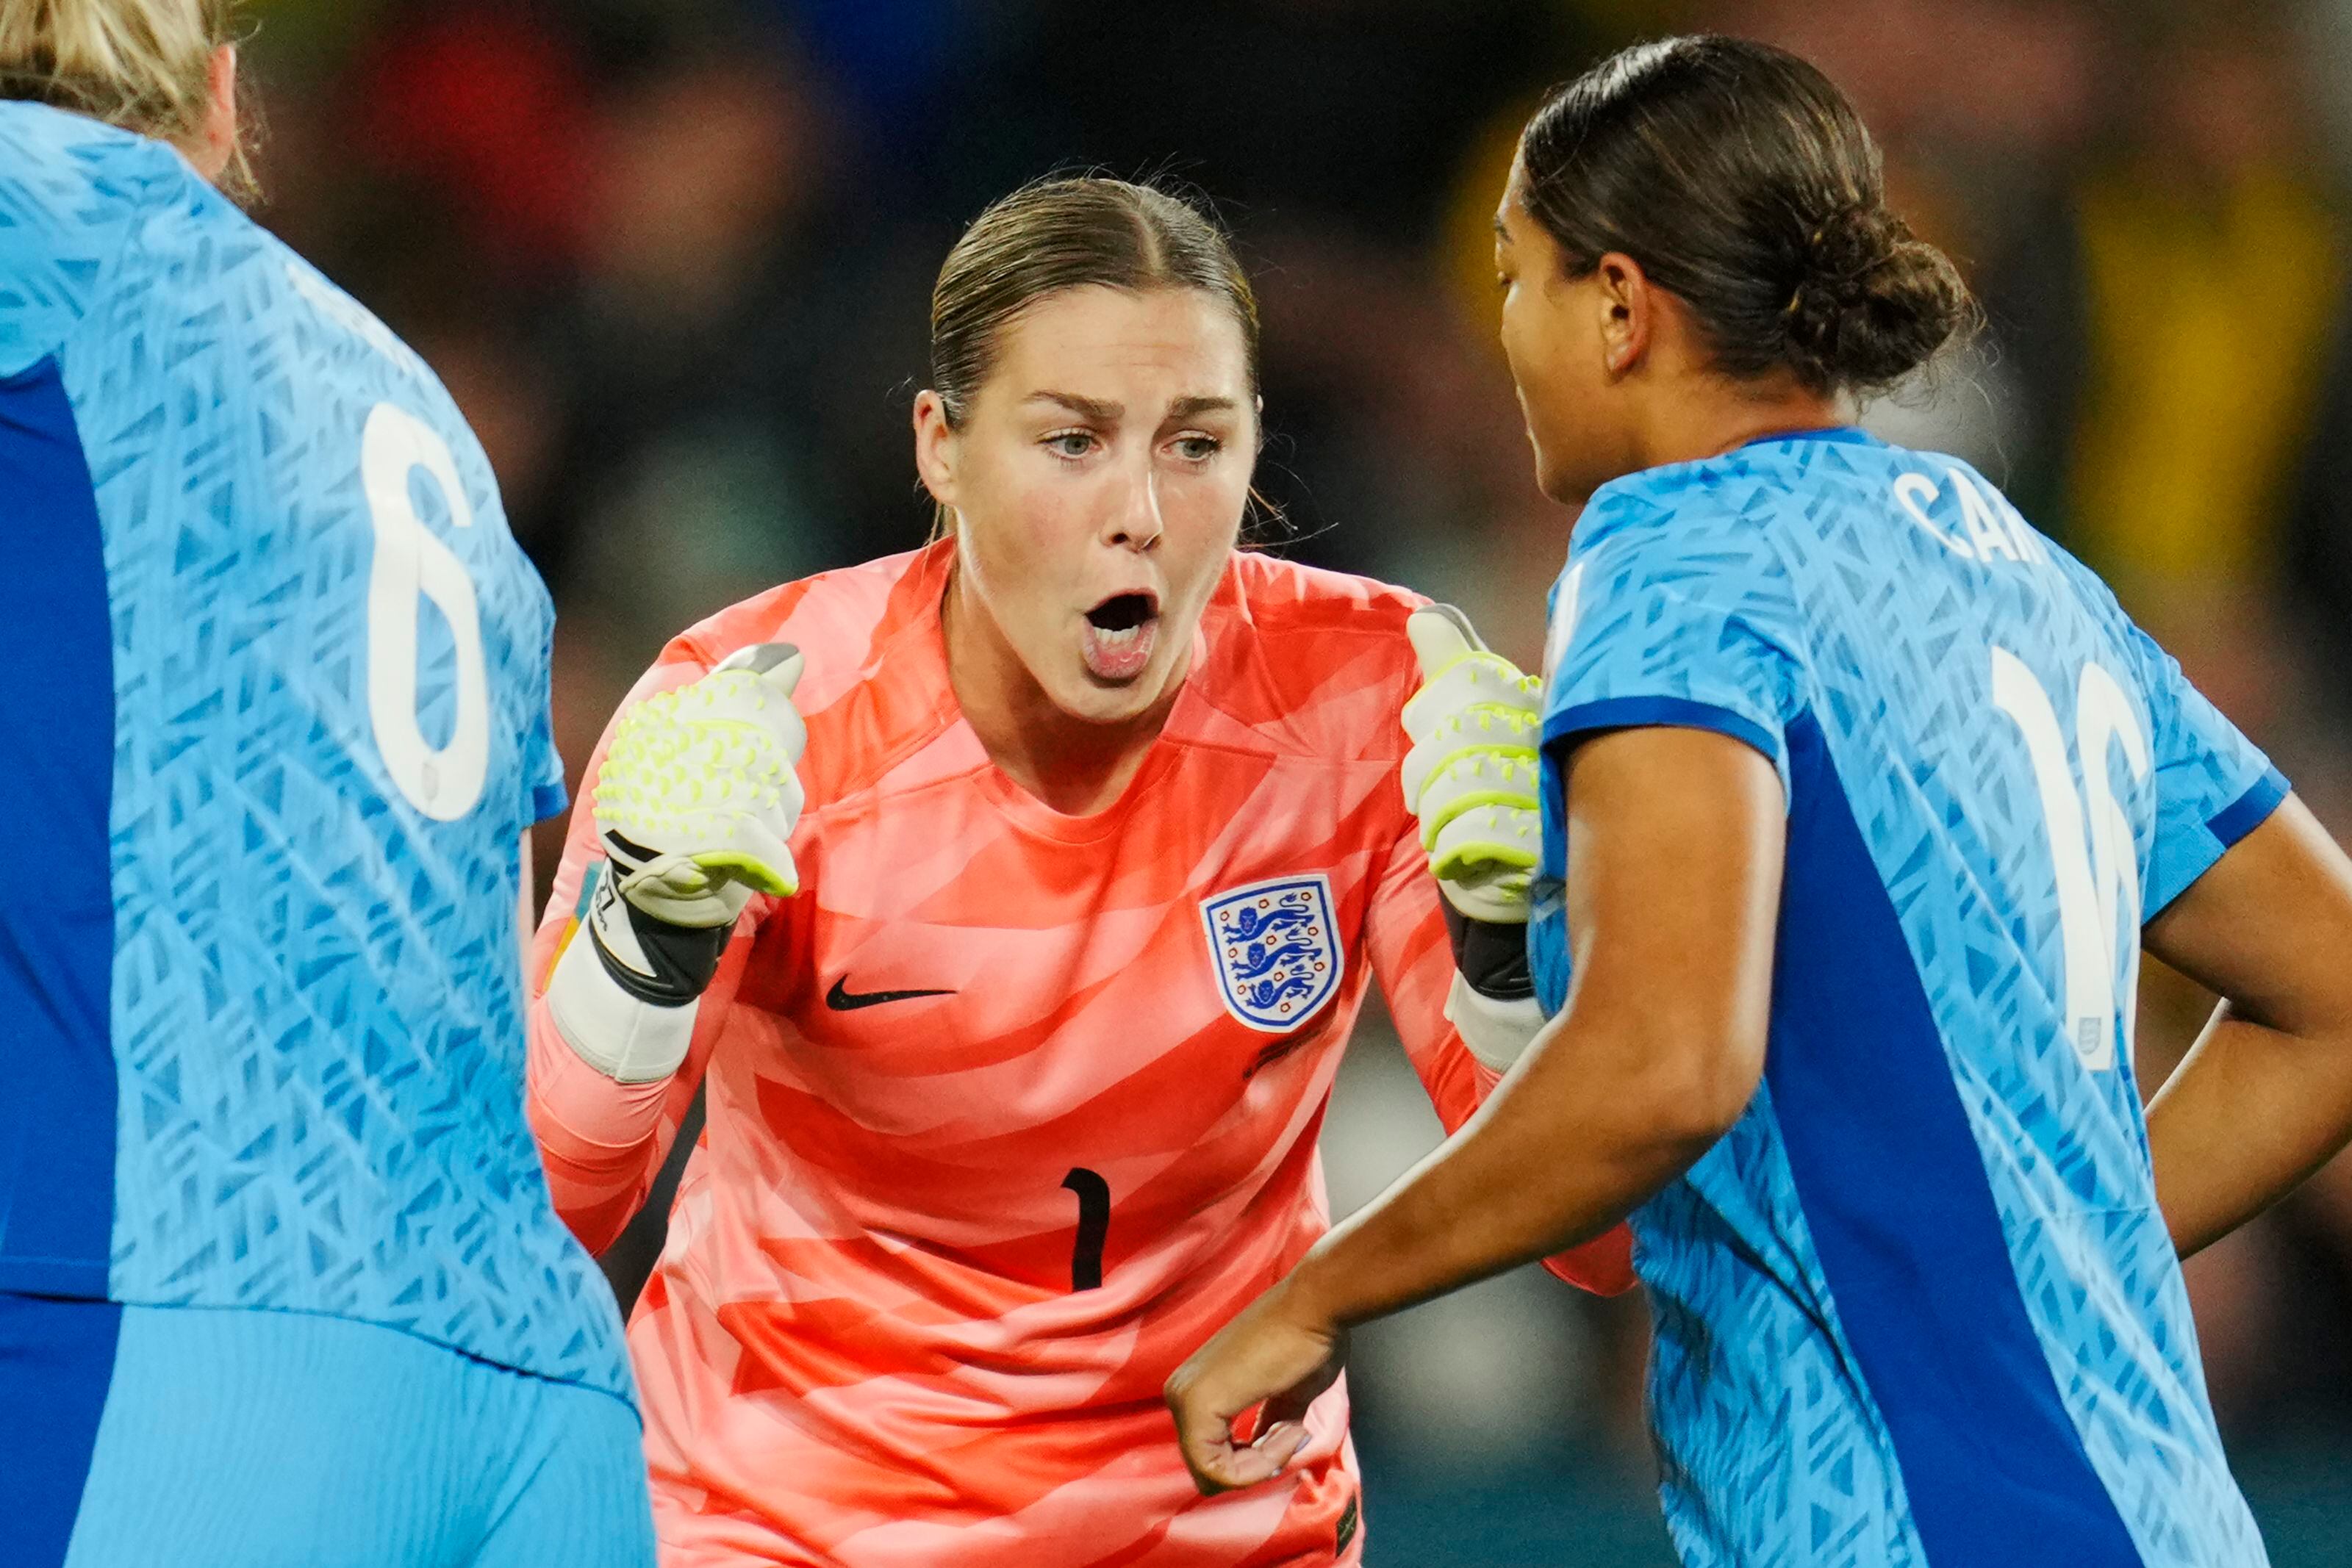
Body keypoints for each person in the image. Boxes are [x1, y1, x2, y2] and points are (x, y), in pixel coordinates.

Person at [1166, 35, 2352, 1568]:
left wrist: (1310, 1293)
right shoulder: (2015, 563)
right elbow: (2333, 990)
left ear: (1618, 306)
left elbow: (1666, 1061)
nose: (1500, 331)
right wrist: (2038, 1268)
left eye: (1513, 278)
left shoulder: (1676, 552)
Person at [525, 175, 1635, 1567]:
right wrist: (639, 964)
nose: (1143, 512)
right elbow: (549, 1216)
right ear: (941, 445)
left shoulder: (1378, 696)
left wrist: (1514, 965)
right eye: (1071, 441)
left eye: (1195, 442)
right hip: (785, 1524)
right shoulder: (754, 708)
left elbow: (1598, 1243)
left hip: (1227, 1528)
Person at [0, 5, 652, 1565]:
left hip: (178, 1351)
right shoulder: (422, 414)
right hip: (535, 1403)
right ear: (225, 106)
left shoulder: (39, 217)